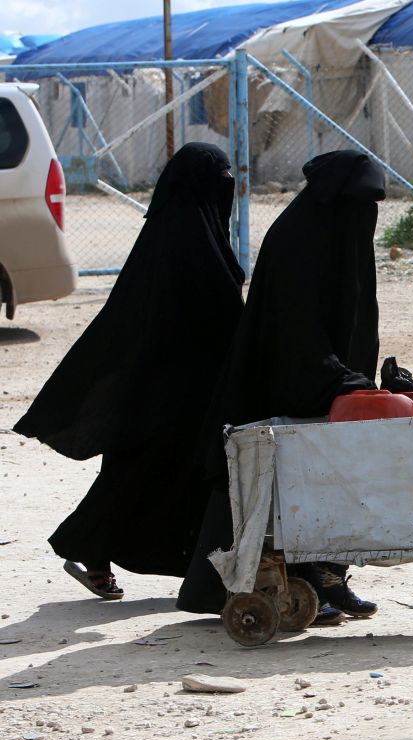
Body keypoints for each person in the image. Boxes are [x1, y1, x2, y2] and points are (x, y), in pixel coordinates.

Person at [13, 143, 245, 599]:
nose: (227, 186)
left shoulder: (181, 232)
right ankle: (86, 549)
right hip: (166, 391)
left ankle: (190, 567)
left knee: (166, 476)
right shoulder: (184, 240)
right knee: (139, 474)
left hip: (182, 387)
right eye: (219, 176)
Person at [176, 150, 385, 622]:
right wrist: (336, 377)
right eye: (360, 204)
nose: (365, 217)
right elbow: (293, 332)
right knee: (278, 487)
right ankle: (290, 586)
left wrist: (365, 381)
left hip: (333, 384)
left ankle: (329, 578)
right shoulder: (298, 238)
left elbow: (356, 321)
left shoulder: (342, 235)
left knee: (337, 480)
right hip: (284, 385)